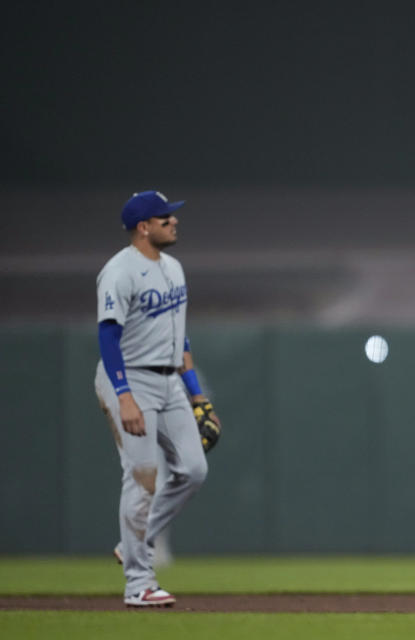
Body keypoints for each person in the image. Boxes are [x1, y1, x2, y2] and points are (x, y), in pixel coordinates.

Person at [94, 190, 219, 607]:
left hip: (169, 381)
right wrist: (124, 396)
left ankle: (135, 540)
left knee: (194, 470)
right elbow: (108, 337)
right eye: (165, 218)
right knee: (143, 475)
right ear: (143, 227)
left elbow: (178, 335)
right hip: (129, 378)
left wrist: (199, 396)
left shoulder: (174, 269)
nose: (174, 222)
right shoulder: (119, 271)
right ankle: (138, 584)